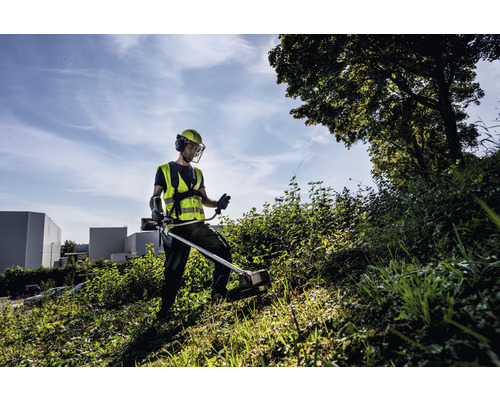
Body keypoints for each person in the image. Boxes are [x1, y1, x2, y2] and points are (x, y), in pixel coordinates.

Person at [149, 129, 232, 320]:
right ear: (181, 146)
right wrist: (156, 212)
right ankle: (164, 312)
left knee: (223, 252)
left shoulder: (198, 173)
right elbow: (155, 197)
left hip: (198, 226)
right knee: (173, 273)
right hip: (177, 228)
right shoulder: (164, 170)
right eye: (191, 146)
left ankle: (218, 295)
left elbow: (204, 199)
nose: (194, 151)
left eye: (197, 148)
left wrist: (217, 204)